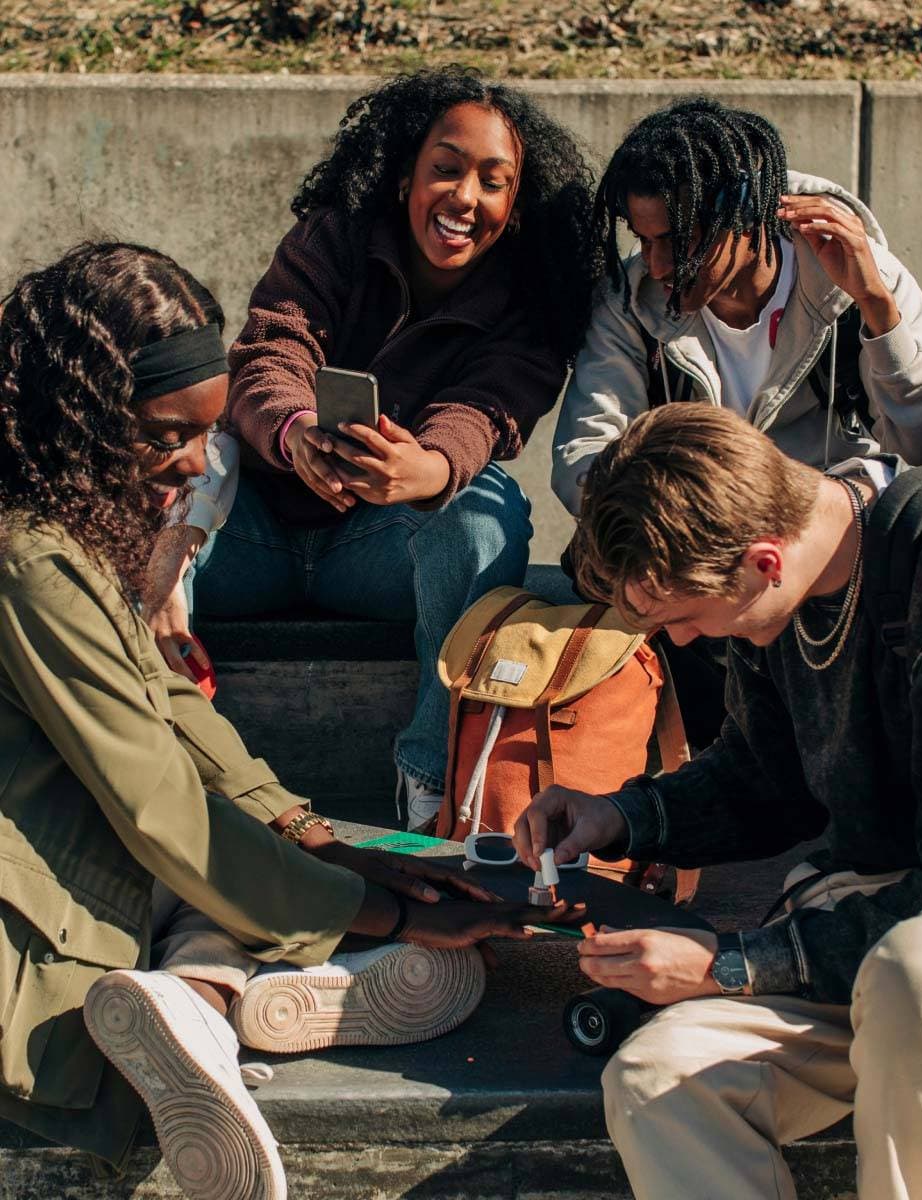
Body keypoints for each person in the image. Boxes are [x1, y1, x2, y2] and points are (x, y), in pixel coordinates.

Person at [0, 242, 580, 1200]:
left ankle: (196, 1004)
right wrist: (386, 912)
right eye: (165, 436)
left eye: (206, 433)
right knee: (207, 868)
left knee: (240, 863)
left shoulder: (65, 523)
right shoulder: (29, 560)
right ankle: (211, 996)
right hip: (48, 917)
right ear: (83, 418)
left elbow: (168, 700)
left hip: (118, 852)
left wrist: (316, 837)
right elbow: (160, 812)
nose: (195, 464)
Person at [516, 404, 922, 1200]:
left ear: (765, 561)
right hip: (880, 925)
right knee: (655, 1078)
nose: (686, 641)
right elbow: (764, 782)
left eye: (686, 618)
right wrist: (622, 818)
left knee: (918, 970)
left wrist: (734, 965)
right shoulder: (774, 604)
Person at [144, 67, 601, 832]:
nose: (465, 197)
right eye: (446, 169)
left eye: (493, 183)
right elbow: (269, 352)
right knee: (137, 516)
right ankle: (161, 756)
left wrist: (427, 469)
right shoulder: (335, 239)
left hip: (382, 550)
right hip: (253, 537)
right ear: (403, 178)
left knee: (487, 509)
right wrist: (297, 433)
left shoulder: (531, 299)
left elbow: (488, 411)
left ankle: (429, 780)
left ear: (517, 207)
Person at [551, 95, 922, 521]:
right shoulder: (630, 299)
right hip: (688, 530)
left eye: (678, 242)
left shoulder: (864, 281)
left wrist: (877, 311)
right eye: (643, 240)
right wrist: (691, 507)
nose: (657, 266)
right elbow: (583, 459)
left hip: (831, 531)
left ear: (745, 219)